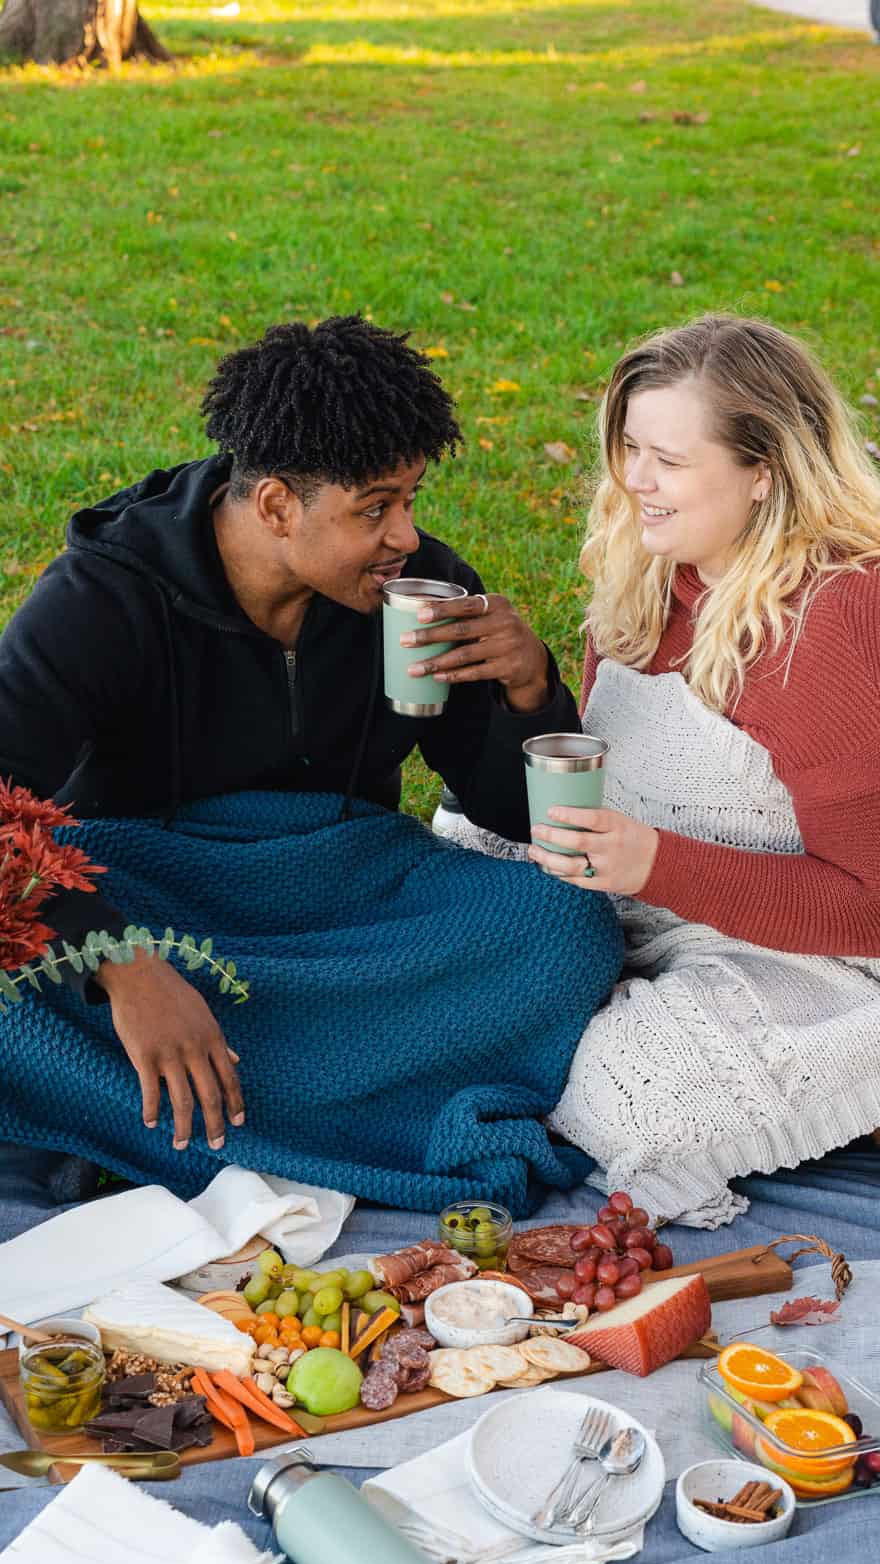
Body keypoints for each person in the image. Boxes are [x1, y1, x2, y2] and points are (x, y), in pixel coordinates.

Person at [488, 315, 880, 1225]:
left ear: (763, 472)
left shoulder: (861, 622)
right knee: (449, 930)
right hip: (666, 913)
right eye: (628, 447)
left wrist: (652, 864)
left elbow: (878, 909)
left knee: (625, 1096)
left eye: (667, 458)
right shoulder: (648, 574)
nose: (634, 481)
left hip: (860, 952)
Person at [0, 317, 620, 1212]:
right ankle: (324, 1103)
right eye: (375, 508)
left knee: (569, 926)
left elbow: (514, 819)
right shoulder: (105, 598)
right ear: (278, 505)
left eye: (411, 498)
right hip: (152, 894)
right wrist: (121, 962)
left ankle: (178, 1120)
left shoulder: (414, 593)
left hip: (346, 893)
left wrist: (529, 689)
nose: (407, 534)